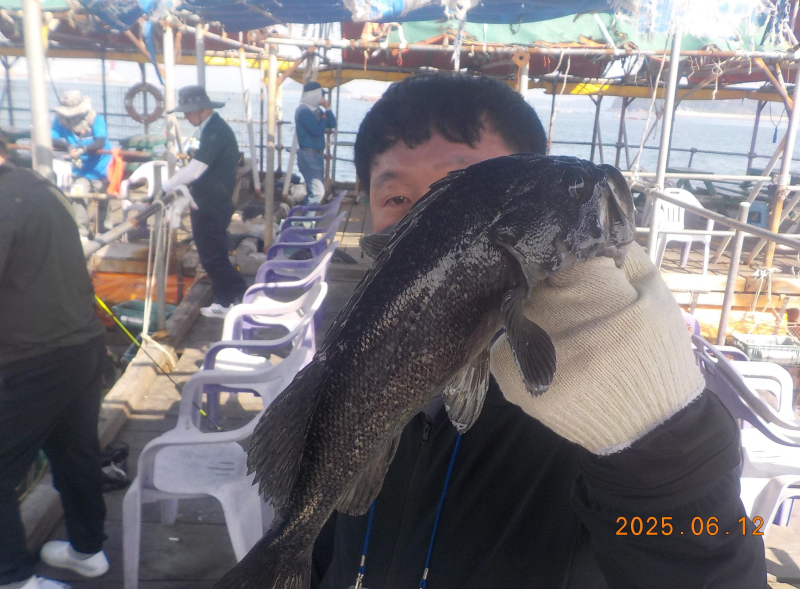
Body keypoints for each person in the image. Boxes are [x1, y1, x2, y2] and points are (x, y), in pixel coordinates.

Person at [310, 74, 767, 588]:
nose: (428, 223)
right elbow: (322, 541)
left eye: (466, 194)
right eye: (396, 199)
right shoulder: (345, 370)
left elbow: (717, 564)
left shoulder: (604, 388)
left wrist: (658, 436)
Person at [0, 138, 110, 589]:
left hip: (32, 360)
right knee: (75, 453)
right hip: (83, 346)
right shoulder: (40, 186)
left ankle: (12, 578)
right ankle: (88, 550)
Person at [162, 85, 248, 318]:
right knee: (214, 255)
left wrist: (166, 187)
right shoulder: (213, 128)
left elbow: (195, 170)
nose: (185, 116)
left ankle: (242, 293)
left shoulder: (214, 132)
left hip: (211, 205)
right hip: (213, 202)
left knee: (212, 258)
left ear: (201, 110)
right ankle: (224, 301)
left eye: (188, 112)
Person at [51, 90, 113, 238]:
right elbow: (52, 136)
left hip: (101, 167)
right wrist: (67, 146)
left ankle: (105, 231)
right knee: (78, 197)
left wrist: (83, 150)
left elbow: (100, 140)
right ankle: (81, 232)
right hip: (80, 169)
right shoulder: (59, 120)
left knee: (103, 198)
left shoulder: (96, 119)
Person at [295, 81, 337, 207]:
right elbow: (316, 131)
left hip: (316, 155)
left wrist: (327, 109)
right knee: (318, 192)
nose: (322, 98)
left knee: (314, 190)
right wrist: (323, 119)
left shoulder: (317, 111)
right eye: (321, 95)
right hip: (308, 154)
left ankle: (305, 217)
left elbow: (332, 124)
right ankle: (307, 218)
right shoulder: (303, 111)